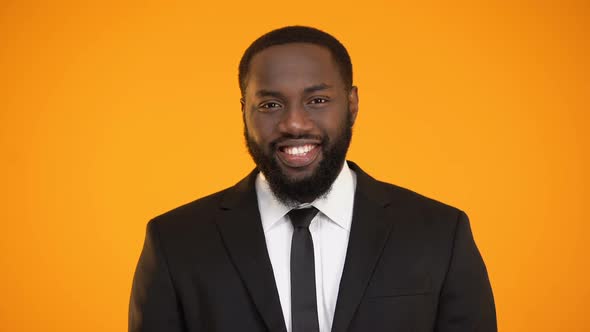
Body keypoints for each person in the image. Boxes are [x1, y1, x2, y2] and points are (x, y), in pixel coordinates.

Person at [129, 26, 496, 332]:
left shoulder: (440, 233)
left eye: (317, 100)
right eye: (270, 105)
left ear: (352, 104)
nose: (294, 123)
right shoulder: (175, 242)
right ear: (244, 111)